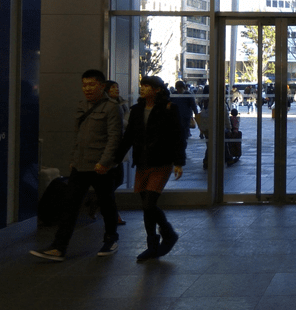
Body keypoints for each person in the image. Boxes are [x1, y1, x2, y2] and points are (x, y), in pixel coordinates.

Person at [30, 69, 123, 261]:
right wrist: (73, 159)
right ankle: (59, 247)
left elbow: (114, 138)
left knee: (106, 204)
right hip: (80, 166)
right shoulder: (82, 106)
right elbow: (78, 137)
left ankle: (111, 238)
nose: (87, 89)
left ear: (102, 86)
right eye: (84, 85)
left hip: (101, 167)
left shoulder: (112, 107)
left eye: (91, 85)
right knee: (70, 205)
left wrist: (104, 162)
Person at [117, 76, 185, 262]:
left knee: (148, 204)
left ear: (157, 89)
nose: (143, 89)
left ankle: (168, 233)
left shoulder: (169, 109)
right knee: (147, 207)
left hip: (162, 162)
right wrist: (115, 159)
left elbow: (178, 136)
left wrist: (179, 162)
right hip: (142, 161)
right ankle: (152, 245)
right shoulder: (137, 110)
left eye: (147, 86)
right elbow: (129, 137)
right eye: (142, 86)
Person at [104, 80, 129, 225]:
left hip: (119, 147)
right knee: (112, 181)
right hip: (108, 148)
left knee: (118, 179)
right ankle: (113, 214)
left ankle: (99, 202)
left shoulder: (122, 104)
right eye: (113, 88)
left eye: (117, 87)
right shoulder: (106, 105)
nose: (116, 90)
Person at [170, 81, 198, 164]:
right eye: (177, 88)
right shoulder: (173, 94)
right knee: (177, 136)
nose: (178, 90)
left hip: (185, 119)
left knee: (184, 136)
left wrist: (196, 114)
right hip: (175, 119)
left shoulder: (188, 95)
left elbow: (193, 106)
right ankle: (178, 151)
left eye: (180, 88)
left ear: (183, 88)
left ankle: (181, 151)